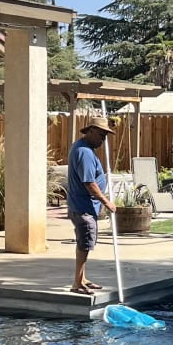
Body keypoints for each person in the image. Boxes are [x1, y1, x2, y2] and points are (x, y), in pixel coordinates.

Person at [67, 115, 115, 295]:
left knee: (84, 242)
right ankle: (77, 283)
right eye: (102, 135)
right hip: (83, 206)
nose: (103, 140)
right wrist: (106, 202)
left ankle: (82, 278)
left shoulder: (83, 147)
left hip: (83, 206)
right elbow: (89, 183)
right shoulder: (84, 152)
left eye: (106, 136)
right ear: (92, 131)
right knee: (85, 243)